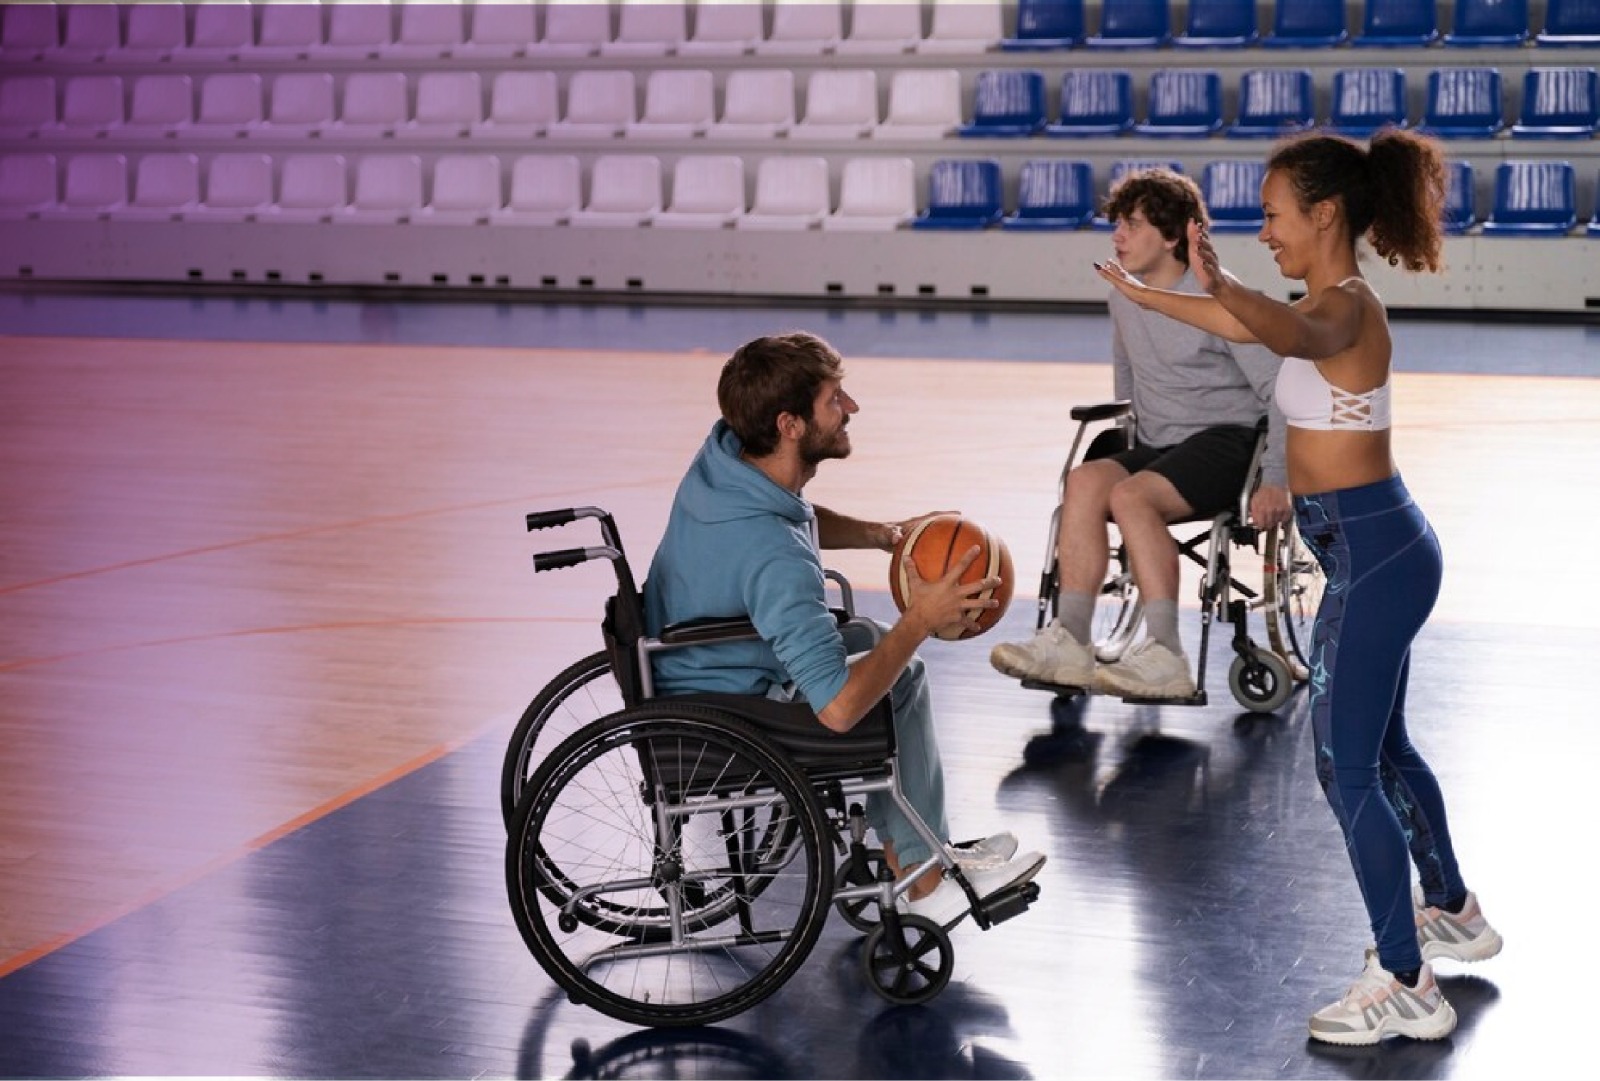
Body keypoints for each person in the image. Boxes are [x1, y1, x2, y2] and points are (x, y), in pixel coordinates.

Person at [1095, 131, 1501, 1046]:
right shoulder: (1320, 301)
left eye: (1274, 214)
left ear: (1323, 214)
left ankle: (1406, 980)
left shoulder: (1344, 309)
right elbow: (1247, 325)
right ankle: (1452, 909)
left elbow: (1279, 329)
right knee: (1384, 749)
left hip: (1373, 556)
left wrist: (1216, 278)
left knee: (1342, 765)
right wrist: (1154, 291)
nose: (1264, 230)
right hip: (1378, 548)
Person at [643, 331, 1046, 928]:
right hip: (732, 708)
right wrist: (920, 621)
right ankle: (925, 880)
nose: (851, 407)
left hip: (701, 664)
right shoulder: (774, 557)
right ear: (791, 424)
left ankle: (917, 849)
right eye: (835, 398)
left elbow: (795, 514)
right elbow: (836, 710)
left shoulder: (727, 460)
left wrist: (880, 534)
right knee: (895, 670)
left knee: (872, 642)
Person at [990, 168, 1290, 700]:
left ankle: (1165, 654)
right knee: (1084, 480)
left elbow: (1281, 389)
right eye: (1117, 224)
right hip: (1160, 444)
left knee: (1131, 497)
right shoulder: (1123, 297)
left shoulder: (1225, 299)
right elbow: (1129, 380)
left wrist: (1277, 477)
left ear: (1174, 236)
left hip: (1228, 442)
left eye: (1131, 224)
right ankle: (1071, 640)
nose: (1117, 235)